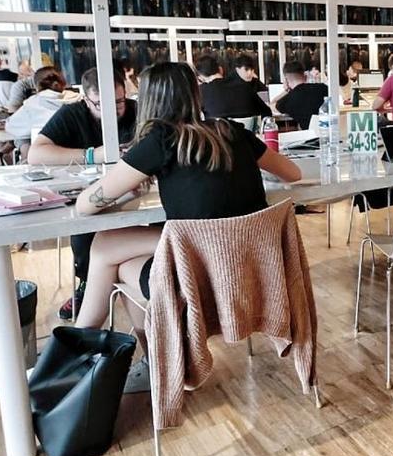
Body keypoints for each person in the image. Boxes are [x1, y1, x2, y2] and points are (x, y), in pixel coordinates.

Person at [72, 62, 301, 390]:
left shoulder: (159, 140)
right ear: (196, 93)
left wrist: (130, 179)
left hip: (201, 281)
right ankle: (112, 350)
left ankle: (88, 346)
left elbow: (85, 205)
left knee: (108, 250)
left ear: (148, 101)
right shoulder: (232, 131)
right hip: (250, 275)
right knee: (113, 252)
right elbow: (294, 174)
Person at [28, 66, 138, 320]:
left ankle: (144, 281)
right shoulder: (72, 114)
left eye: (119, 102)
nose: (112, 110)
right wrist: (91, 155)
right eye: (100, 104)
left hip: (135, 194)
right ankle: (88, 282)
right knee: (85, 223)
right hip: (91, 194)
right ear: (86, 98)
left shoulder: (136, 111)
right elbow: (36, 153)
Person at [4, 66, 71, 145]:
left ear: (37, 86)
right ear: (63, 82)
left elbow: (11, 127)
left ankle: (23, 156)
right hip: (74, 151)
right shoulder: (77, 100)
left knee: (23, 137)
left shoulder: (32, 104)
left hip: (44, 153)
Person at [195, 54, 271, 121]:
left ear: (201, 77)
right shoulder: (245, 87)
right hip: (246, 135)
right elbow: (267, 113)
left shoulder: (201, 92)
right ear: (220, 69)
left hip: (217, 136)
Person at [275, 60, 329, 129]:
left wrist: (286, 91)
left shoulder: (289, 98)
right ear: (305, 75)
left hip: (308, 136)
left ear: (286, 79)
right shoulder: (324, 88)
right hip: (329, 132)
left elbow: (273, 105)